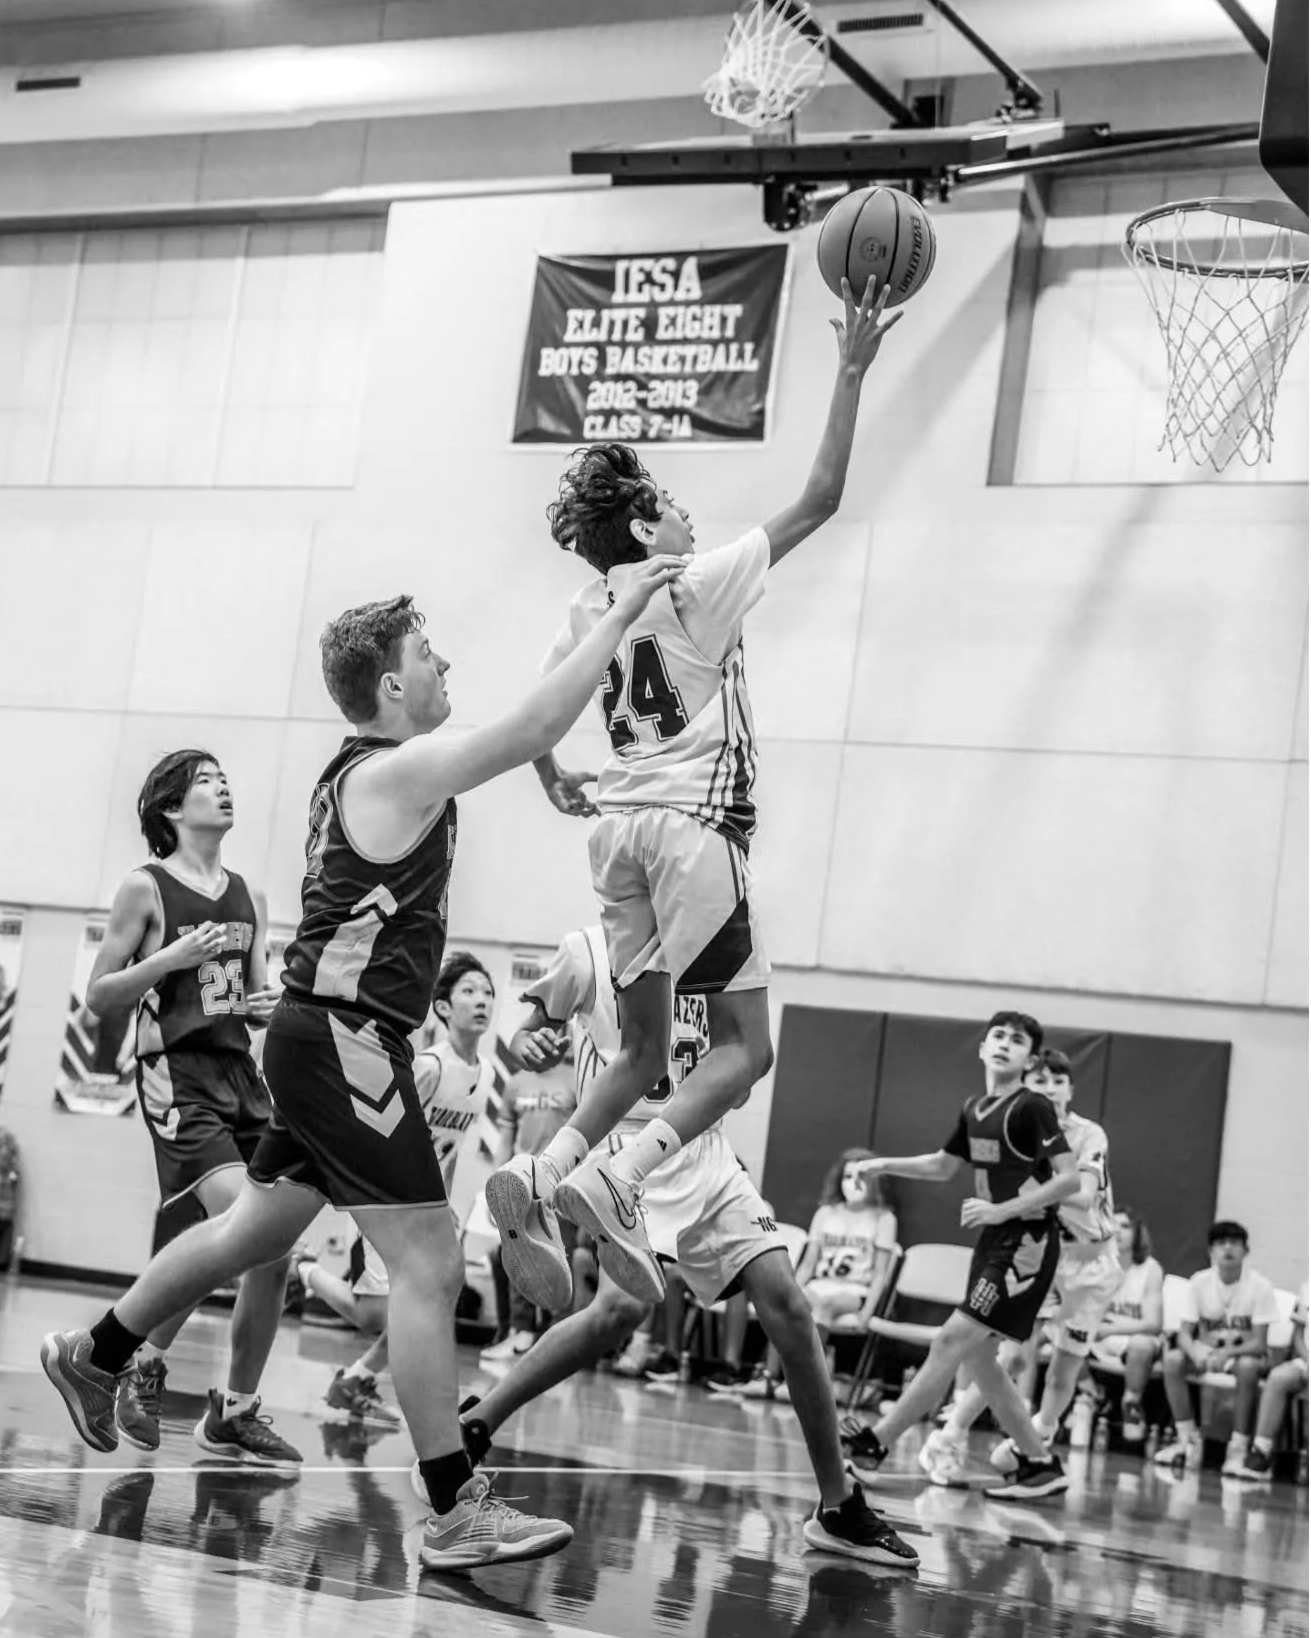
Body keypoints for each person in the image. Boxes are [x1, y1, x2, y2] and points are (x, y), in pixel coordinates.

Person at [41, 567, 682, 1572]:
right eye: (430, 654)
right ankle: (454, 1505)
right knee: (427, 1263)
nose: (446, 664)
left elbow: (525, 722)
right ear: (391, 687)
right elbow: (521, 726)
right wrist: (625, 616)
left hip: (319, 1039)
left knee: (253, 1230)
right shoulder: (390, 772)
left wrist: (568, 689)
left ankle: (99, 1354)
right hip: (343, 1043)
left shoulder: (387, 769)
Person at [487, 280, 904, 1312]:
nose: (684, 506)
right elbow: (820, 499)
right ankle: (617, 1183)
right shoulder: (694, 579)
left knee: (637, 1050)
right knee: (744, 1049)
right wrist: (849, 371)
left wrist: (555, 782)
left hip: (615, 836)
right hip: (689, 835)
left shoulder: (586, 605)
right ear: (642, 522)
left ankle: (543, 1174)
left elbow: (541, 715)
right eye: (667, 496)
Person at [457, 922, 918, 1566]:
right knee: (615, 1315)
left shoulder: (723, 943)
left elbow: (746, 1061)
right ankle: (476, 1425)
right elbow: (529, 1029)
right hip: (627, 1149)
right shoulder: (588, 948)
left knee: (786, 1303)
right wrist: (535, 1039)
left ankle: (838, 1504)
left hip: (705, 1149)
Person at [51, 750, 298, 1464]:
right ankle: (139, 1362)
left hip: (240, 1074)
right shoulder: (145, 887)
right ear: (170, 808)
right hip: (175, 1073)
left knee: (275, 1245)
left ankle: (235, 1412)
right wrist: (171, 958)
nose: (223, 789)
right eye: (206, 782)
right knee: (240, 1219)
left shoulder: (249, 894)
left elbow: (249, 997)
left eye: (226, 780)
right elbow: (100, 995)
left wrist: (265, 1006)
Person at [842, 1012, 1080, 1502]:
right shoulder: (975, 1108)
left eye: (1017, 1041)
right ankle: (1038, 1462)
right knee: (977, 1356)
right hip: (995, 1240)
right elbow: (943, 1165)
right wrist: (881, 1163)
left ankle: (876, 1444)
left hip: (1027, 1243)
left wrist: (1002, 1209)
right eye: (998, 1036)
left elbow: (1070, 1178)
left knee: (952, 1338)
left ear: (1029, 1059)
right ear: (981, 1046)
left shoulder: (1032, 1106)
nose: (1004, 1044)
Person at [300, 952, 497, 1423]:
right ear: (443, 1008)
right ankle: (302, 1269)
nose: (481, 1000)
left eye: (488, 992)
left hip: (426, 1207)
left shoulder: (485, 1073)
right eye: (469, 991)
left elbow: (449, 1149)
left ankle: (357, 1381)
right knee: (375, 1316)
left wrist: (444, 1206)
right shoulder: (428, 1066)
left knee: (432, 1303)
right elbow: (385, 1130)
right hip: (387, 1199)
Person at [923, 1048, 1123, 1484]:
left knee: (1062, 1372)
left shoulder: (1088, 1135)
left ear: (1070, 1089)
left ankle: (1038, 1437)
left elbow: (1084, 1194)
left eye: (1057, 1080)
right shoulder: (1016, 1129)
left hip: (1094, 1263)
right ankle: (949, 1436)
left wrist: (1029, 1184)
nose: (1048, 1088)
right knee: (1010, 1355)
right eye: (1039, 1081)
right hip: (1045, 1251)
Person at [735, 1147, 897, 1402]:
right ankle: (768, 1376)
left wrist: (869, 1312)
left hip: (855, 1291)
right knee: (786, 1305)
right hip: (821, 1284)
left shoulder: (884, 1218)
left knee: (824, 1304)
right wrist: (789, 1291)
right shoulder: (826, 1213)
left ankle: (804, 1383)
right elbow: (809, 1263)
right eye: (846, 1177)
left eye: (859, 1177)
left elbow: (880, 1274)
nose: (851, 1184)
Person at [1154, 1220, 1279, 1473]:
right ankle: (1187, 1440)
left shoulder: (1260, 1287)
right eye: (1221, 1244)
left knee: (1247, 1367)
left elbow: (1259, 1342)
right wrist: (1195, 1352)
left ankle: (1238, 1448)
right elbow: (1184, 1334)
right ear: (1211, 1252)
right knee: (1172, 1360)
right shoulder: (1198, 1282)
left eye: (1234, 1243)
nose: (1228, 1249)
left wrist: (1227, 1353)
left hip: (1243, 1354)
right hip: (1208, 1351)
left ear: (1246, 1251)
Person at [482, 1034, 579, 1363]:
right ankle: (519, 1332)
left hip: (562, 1186)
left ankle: (556, 1342)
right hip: (520, 1184)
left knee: (559, 1264)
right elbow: (506, 1137)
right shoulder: (516, 1083)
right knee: (515, 1255)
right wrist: (494, 1189)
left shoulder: (577, 1077)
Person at [1087, 1207, 1165, 1445]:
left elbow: (1153, 1324)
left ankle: (1131, 1405)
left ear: (1138, 1235)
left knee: (1141, 1345)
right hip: (1100, 1334)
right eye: (1113, 1224)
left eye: (1125, 1226)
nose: (1118, 1231)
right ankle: (1091, 1395)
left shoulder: (1150, 1269)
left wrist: (1110, 1329)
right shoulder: (1097, 1263)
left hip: (1134, 1336)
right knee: (1061, 1334)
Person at [1234, 1281, 1307, 1481]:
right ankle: (1261, 1452)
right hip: (1306, 1362)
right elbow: (1299, 1337)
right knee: (1278, 1377)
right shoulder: (1307, 1288)